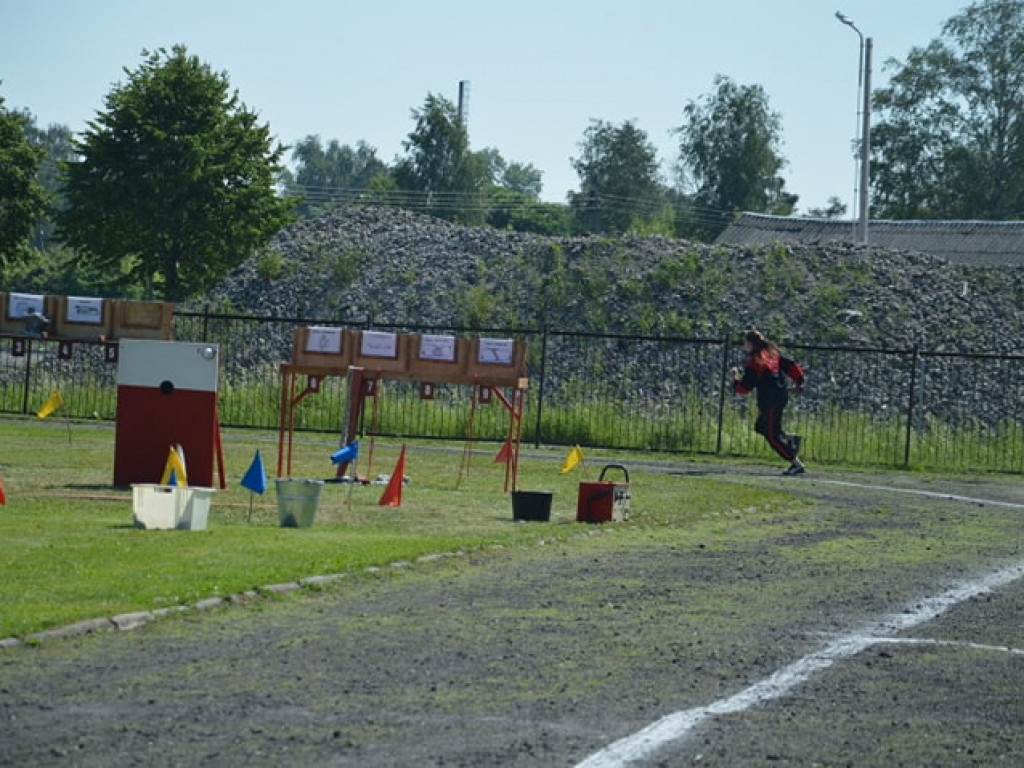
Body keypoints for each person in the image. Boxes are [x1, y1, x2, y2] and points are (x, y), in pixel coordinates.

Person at [731, 329, 807, 475]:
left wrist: (735, 379)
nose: (743, 345)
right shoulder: (771, 355)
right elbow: (790, 366)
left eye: (745, 342)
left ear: (750, 343)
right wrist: (800, 380)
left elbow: (744, 388)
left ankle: (796, 463)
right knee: (761, 426)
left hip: (771, 400)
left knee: (772, 436)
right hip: (779, 396)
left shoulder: (755, 362)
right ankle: (790, 439)